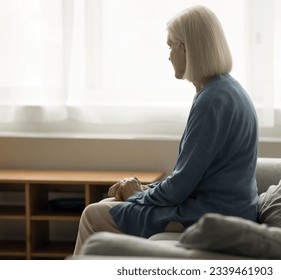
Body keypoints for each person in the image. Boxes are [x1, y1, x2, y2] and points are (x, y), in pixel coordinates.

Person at [73, 5, 259, 255]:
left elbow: (181, 186)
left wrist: (137, 195)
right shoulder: (226, 90)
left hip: (214, 215)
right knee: (108, 205)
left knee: (93, 215)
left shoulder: (212, 101)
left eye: (171, 45)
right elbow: (192, 177)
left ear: (188, 47)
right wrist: (144, 191)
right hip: (223, 207)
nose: (169, 55)